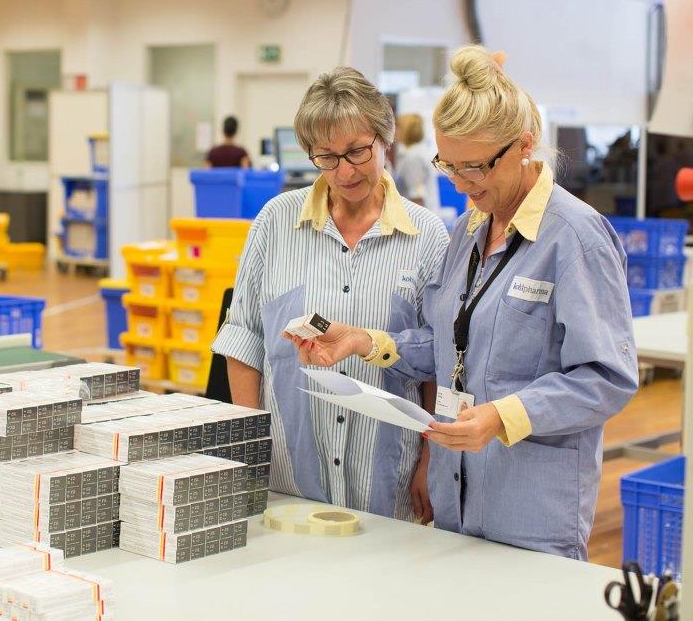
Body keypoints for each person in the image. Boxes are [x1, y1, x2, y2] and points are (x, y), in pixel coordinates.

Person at [285, 46, 638, 559]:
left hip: (531, 509)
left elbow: (608, 378)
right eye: (448, 165)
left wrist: (502, 417)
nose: (462, 185)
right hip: (455, 504)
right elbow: (445, 346)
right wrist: (367, 342)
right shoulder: (469, 230)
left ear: (525, 144)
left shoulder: (575, 238)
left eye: (475, 167)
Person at [212, 67, 449, 522]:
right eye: (326, 157)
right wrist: (248, 441)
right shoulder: (275, 223)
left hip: (386, 481)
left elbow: (438, 360)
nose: (345, 171)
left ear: (385, 140)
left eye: (358, 152)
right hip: (288, 475)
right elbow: (244, 335)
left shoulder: (429, 237)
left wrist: (429, 460)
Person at [393, 113, 440, 212]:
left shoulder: (413, 156)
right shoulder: (418, 152)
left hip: (417, 218)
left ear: (407, 130)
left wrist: (416, 223)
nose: (395, 131)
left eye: (399, 127)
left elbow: (417, 194)